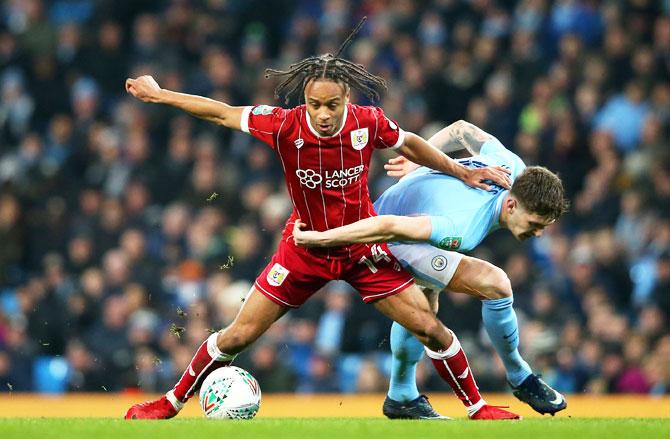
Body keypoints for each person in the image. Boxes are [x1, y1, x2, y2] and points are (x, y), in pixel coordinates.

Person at [123, 28, 518, 420]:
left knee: (431, 329)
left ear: (347, 98)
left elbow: (410, 142)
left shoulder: (368, 123)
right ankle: (170, 403)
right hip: (304, 248)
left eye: (332, 105)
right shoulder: (283, 125)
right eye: (315, 105)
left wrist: (459, 171)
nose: (324, 115)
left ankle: (478, 408)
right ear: (305, 101)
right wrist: (160, 95)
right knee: (238, 335)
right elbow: (222, 113)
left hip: (363, 248)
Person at [293, 119, 570, 418]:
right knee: (496, 283)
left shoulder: (511, 167)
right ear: (513, 206)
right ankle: (521, 377)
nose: (538, 233)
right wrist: (322, 239)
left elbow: (461, 129)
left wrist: (416, 162)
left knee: (424, 305)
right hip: (385, 235)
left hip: (410, 216)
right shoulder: (462, 226)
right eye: (535, 225)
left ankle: (401, 395)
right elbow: (387, 226)